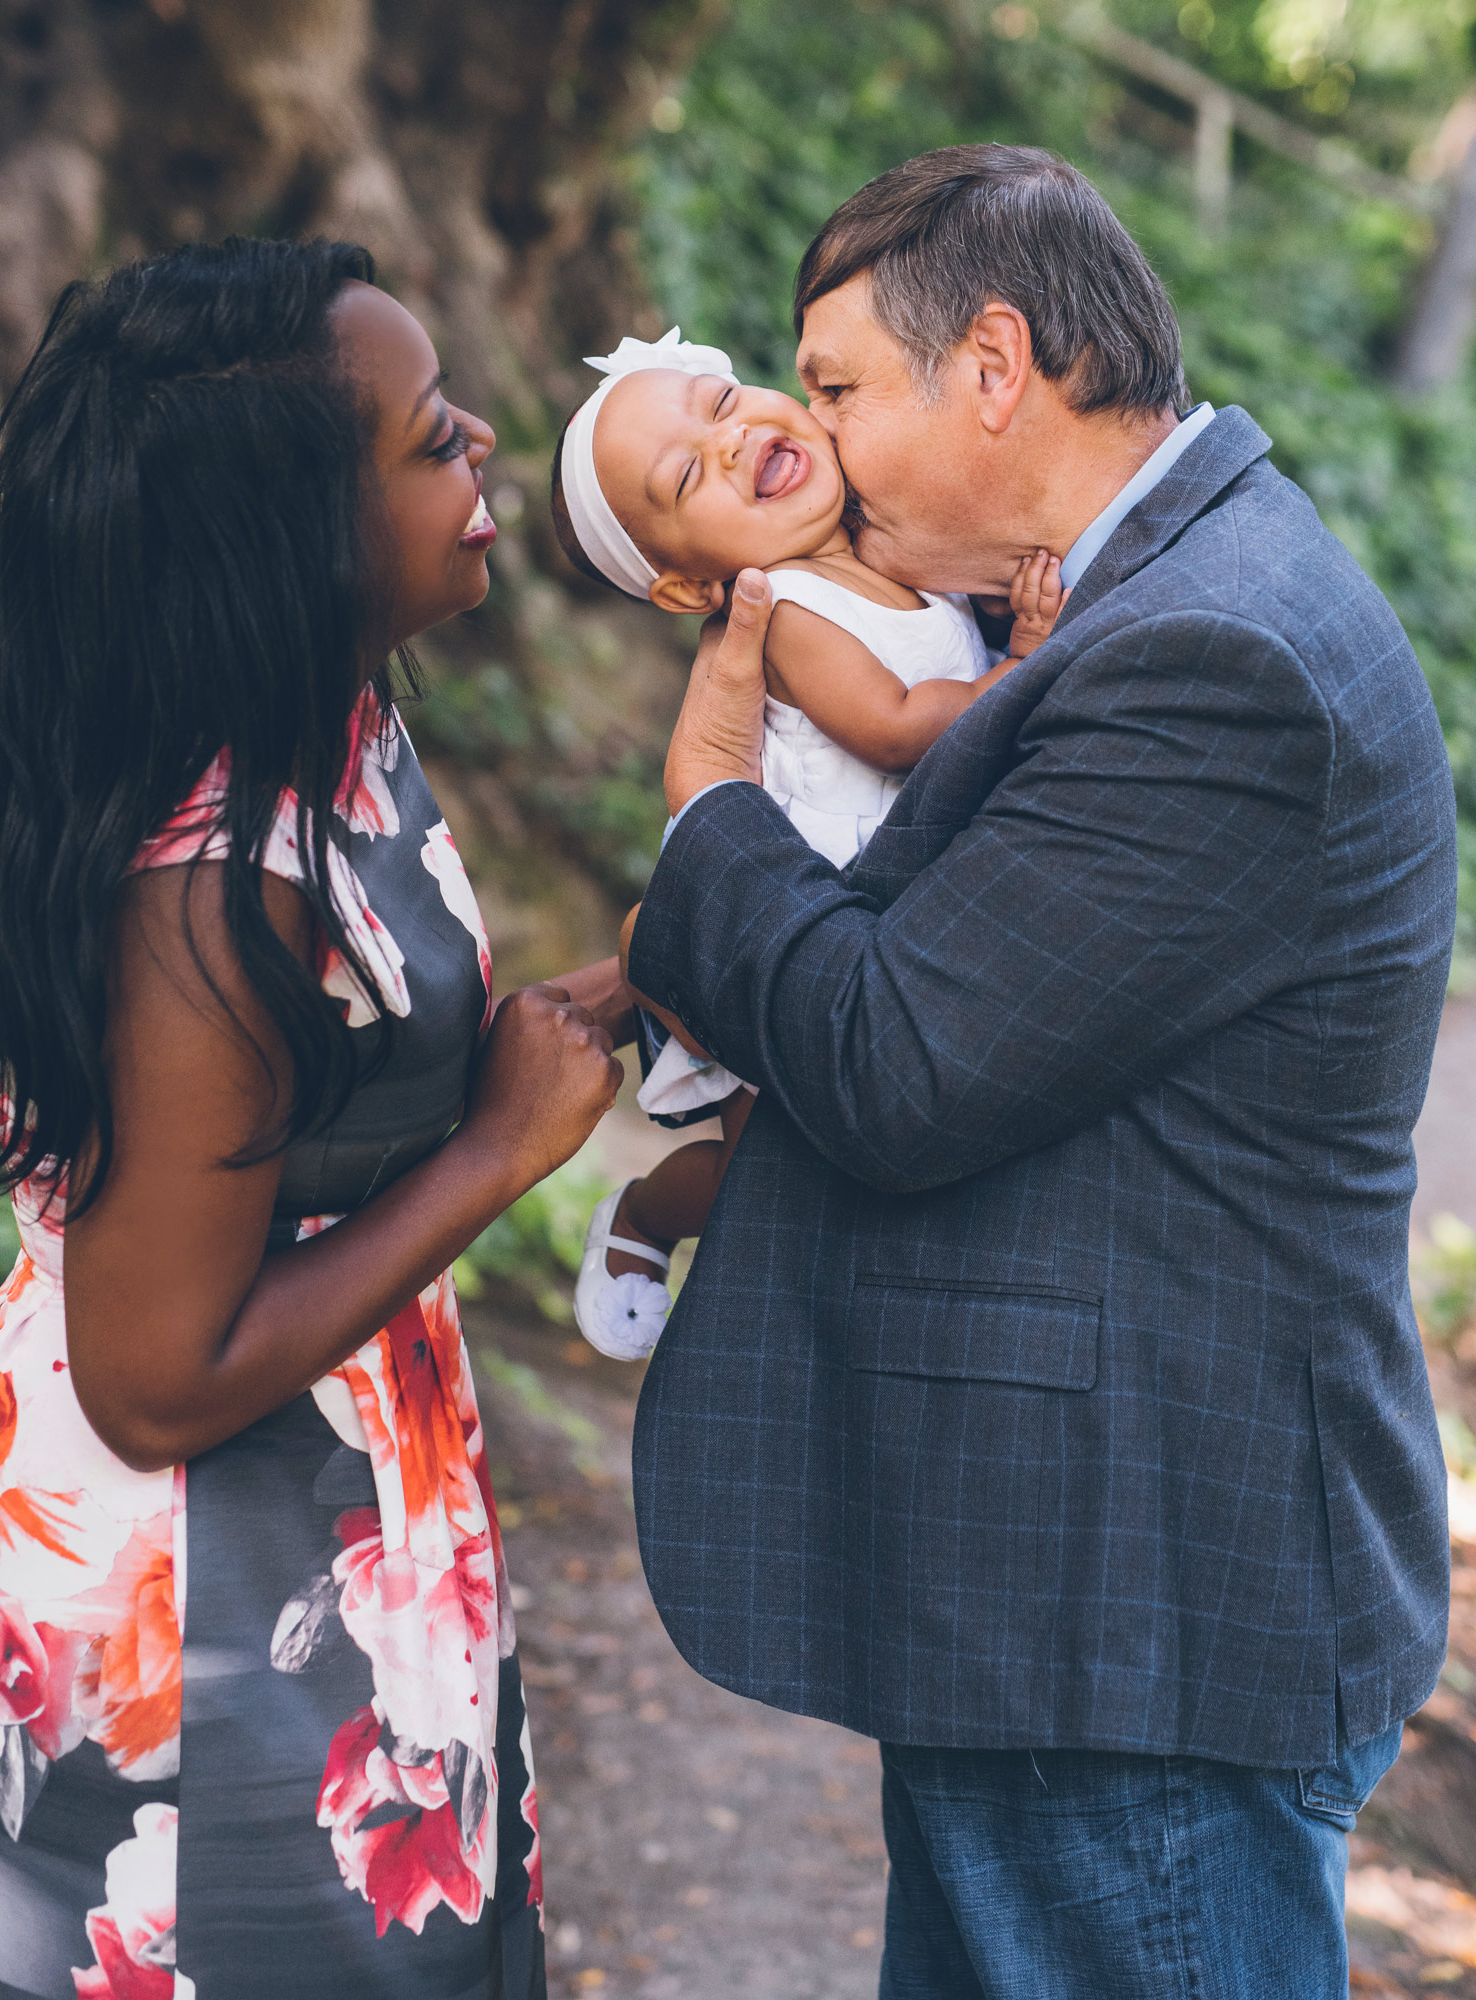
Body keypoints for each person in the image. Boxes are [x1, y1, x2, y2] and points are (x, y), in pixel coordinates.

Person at [623, 145, 1458, 1997]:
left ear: (994, 365)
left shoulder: (1211, 658)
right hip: (1071, 1598)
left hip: (1131, 1616)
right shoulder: (1132, 606)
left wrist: (707, 817)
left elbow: (901, 1058)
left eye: (838, 389)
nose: (817, 445)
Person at [0, 238, 625, 2000]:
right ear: (295, 533)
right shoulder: (201, 891)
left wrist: (658, 980)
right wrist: (500, 1160)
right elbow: (155, 1377)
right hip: (179, 1604)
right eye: (431, 440)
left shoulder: (334, 725)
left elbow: (364, 1100)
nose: (486, 454)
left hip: (324, 1522)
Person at [548, 328, 1065, 1358]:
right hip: (789, 934)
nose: (735, 438)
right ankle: (649, 1214)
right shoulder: (784, 608)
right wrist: (1029, 658)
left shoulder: (893, 545)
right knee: (758, 1176)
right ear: (693, 587)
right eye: (690, 471)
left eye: (723, 400)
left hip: (889, 926)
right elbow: (899, 722)